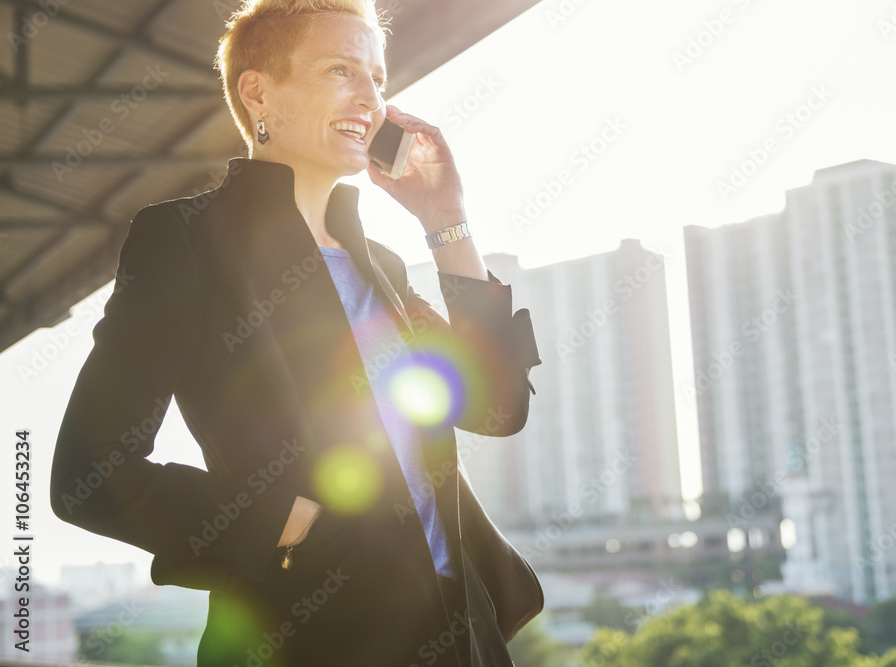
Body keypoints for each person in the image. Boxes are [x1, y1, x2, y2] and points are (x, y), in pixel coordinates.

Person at [48, 0, 543, 664]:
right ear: (257, 92)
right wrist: (286, 524)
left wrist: (446, 219)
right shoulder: (188, 240)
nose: (369, 96)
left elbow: (496, 408)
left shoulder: (384, 265)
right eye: (341, 70)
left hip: (461, 635)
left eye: (377, 76)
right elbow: (89, 471)